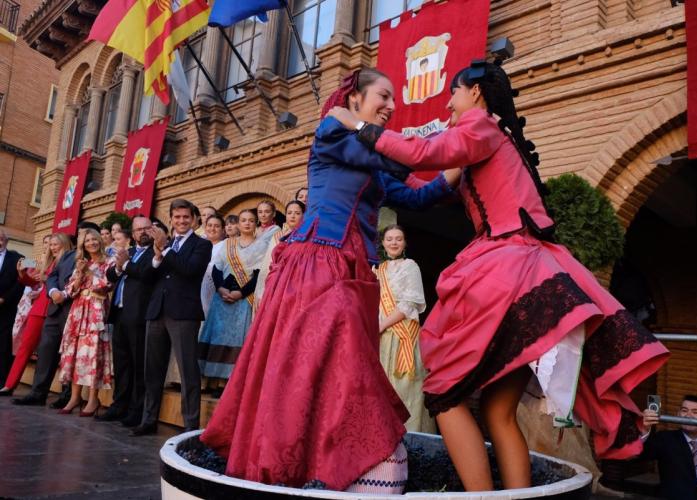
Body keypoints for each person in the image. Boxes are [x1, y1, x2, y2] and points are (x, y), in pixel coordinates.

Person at [328, 60, 669, 490]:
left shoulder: (480, 126)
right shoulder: (490, 138)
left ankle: (482, 499)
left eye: (453, 93)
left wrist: (357, 126)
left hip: (507, 267)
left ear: (475, 93)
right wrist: (390, 165)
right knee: (496, 410)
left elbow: (424, 154)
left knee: (444, 395)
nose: (448, 104)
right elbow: (428, 182)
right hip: (529, 268)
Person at [201, 68, 459, 492]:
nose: (392, 105)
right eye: (383, 95)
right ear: (354, 99)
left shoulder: (373, 157)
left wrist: (461, 158)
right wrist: (450, 137)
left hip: (353, 267)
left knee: (331, 370)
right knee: (320, 365)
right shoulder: (332, 132)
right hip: (317, 262)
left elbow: (420, 194)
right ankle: (294, 460)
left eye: (394, 98)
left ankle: (323, 460)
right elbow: (402, 156)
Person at [132, 198, 212, 436]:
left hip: (184, 313)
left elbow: (190, 270)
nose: (181, 221)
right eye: (177, 217)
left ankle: (190, 426)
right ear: (171, 219)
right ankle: (148, 419)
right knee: (152, 369)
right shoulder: (160, 244)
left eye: (186, 217)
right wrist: (157, 257)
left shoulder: (201, 245)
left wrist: (165, 249)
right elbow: (147, 276)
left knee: (188, 370)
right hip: (157, 310)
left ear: (194, 219)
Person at [12, 221, 102, 407]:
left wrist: (65, 293)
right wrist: (53, 291)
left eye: (88, 236)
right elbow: (50, 275)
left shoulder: (97, 258)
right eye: (82, 235)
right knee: (46, 351)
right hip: (54, 308)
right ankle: (38, 393)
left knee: (70, 354)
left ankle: (67, 397)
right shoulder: (66, 256)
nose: (84, 239)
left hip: (76, 310)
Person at [199, 209, 273, 389]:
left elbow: (259, 275)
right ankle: (211, 381)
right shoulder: (228, 243)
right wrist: (221, 288)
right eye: (243, 220)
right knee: (217, 337)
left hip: (243, 300)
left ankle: (228, 384)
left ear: (256, 224)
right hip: (221, 298)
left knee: (237, 340)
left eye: (251, 220)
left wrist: (241, 293)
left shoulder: (262, 246)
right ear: (238, 224)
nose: (247, 223)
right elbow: (217, 268)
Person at [374, 225, 435, 434]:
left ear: (405, 243)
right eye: (389, 239)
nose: (394, 243)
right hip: (382, 338)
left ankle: (408, 436)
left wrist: (382, 325)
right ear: (383, 243)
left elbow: (410, 303)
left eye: (398, 239)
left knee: (404, 388)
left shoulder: (410, 266)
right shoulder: (378, 270)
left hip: (403, 334)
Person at [97, 216, 156, 426]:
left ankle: (136, 409)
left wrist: (125, 264)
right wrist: (119, 267)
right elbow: (111, 274)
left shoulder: (156, 253)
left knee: (138, 364)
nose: (143, 232)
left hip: (139, 315)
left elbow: (145, 273)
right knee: (121, 364)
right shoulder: (128, 251)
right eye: (139, 229)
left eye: (147, 228)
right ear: (133, 233)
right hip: (120, 313)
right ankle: (119, 405)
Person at [1, 234, 73, 396]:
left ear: (64, 244)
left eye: (54, 244)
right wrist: (21, 273)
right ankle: (9, 385)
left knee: (52, 352)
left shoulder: (70, 260)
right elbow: (31, 281)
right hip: (39, 308)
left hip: (58, 308)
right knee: (25, 347)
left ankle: (48, 391)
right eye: (48, 244)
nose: (51, 247)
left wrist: (47, 278)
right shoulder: (42, 261)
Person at [57, 229, 113, 416]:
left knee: (93, 353)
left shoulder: (109, 261)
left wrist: (89, 272)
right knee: (75, 353)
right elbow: (70, 290)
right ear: (83, 245)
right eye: (87, 241)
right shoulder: (81, 263)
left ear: (100, 241)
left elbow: (107, 285)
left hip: (96, 311)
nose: (91, 243)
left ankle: (93, 399)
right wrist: (80, 274)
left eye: (94, 239)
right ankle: (75, 397)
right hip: (78, 311)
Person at [641, 395, 697, 500]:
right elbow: (640, 454)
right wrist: (645, 429)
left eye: (695, 412)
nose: (688, 416)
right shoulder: (665, 439)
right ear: (678, 414)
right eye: (684, 411)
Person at [253, 200, 305, 309]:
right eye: (289, 213)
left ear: (304, 215)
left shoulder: (308, 238)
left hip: (299, 285)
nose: (292, 216)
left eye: (297, 213)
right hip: (277, 285)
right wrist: (261, 292)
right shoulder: (278, 237)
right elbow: (267, 265)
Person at [0, 229, 24, 387]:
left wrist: (5, 298)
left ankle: (2, 381)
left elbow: (23, 280)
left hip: (6, 308)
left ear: (7, 241)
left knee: (3, 344)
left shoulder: (19, 258)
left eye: (1, 239)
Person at [200, 214, 227, 318]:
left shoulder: (226, 246)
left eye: (217, 226)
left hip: (217, 291)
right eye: (210, 225)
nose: (212, 229)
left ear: (223, 230)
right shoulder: (199, 245)